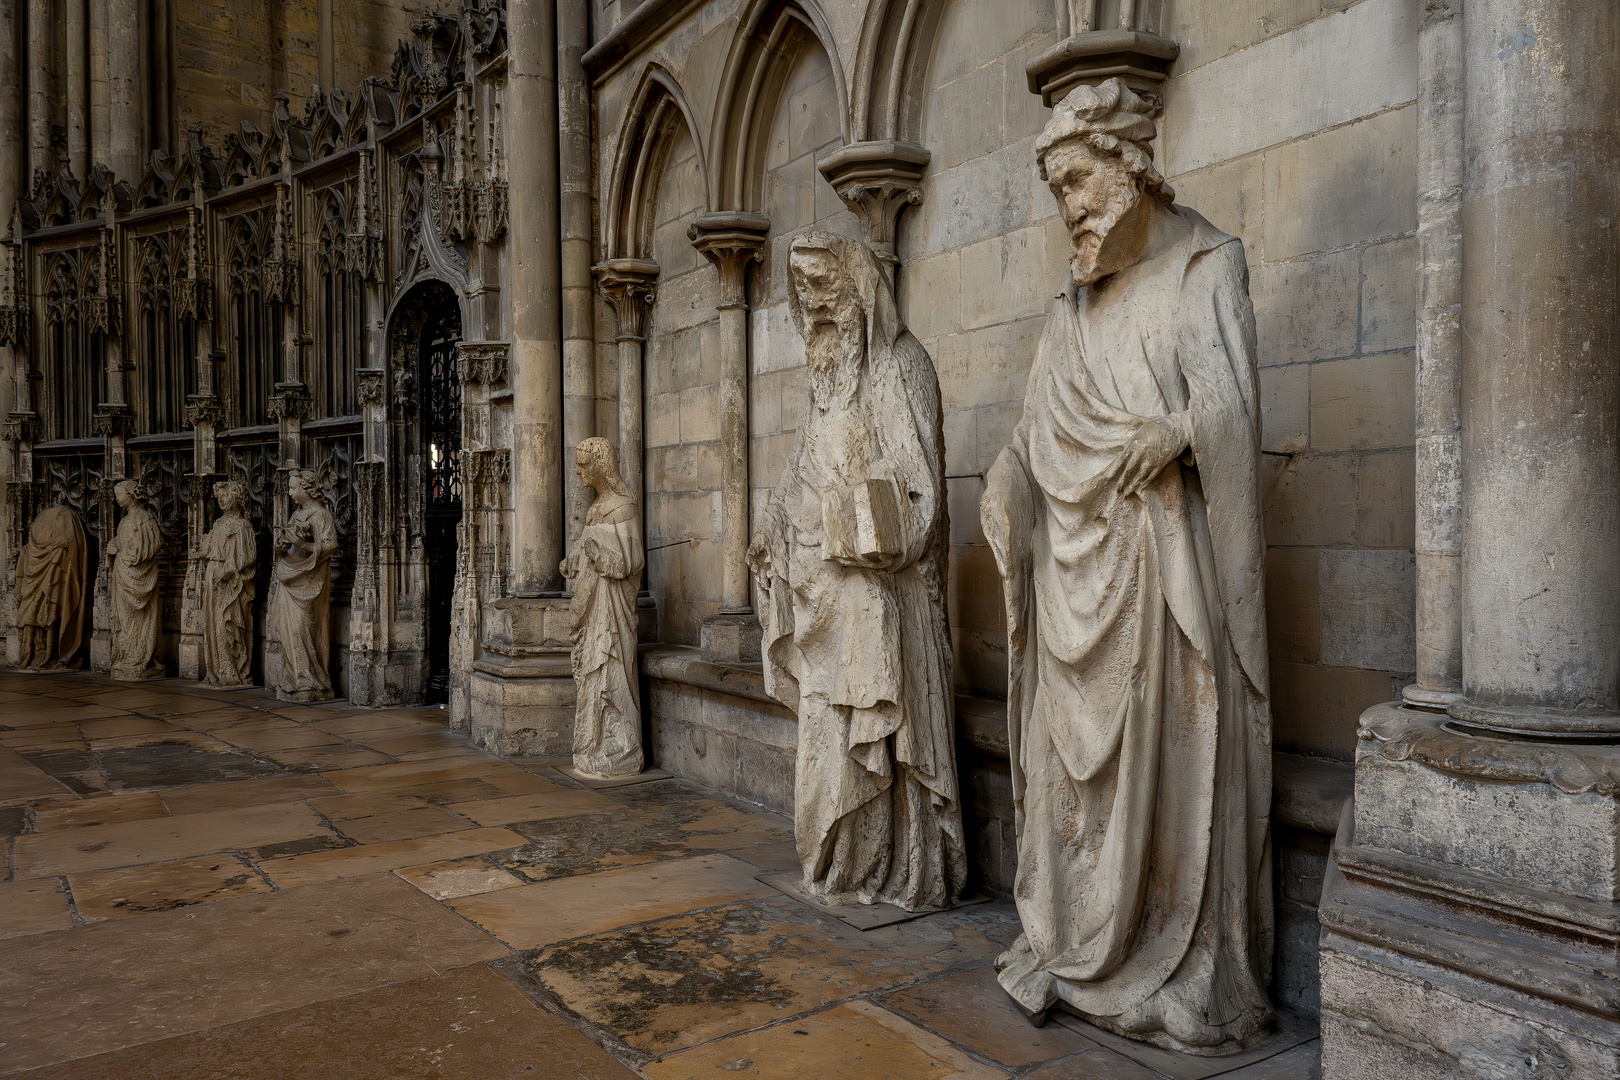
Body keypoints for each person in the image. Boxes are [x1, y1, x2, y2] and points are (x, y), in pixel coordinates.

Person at [981, 78, 1274, 1054]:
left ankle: (1179, 959)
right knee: (1082, 786)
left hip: (1159, 584)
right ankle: (1079, 944)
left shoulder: (1205, 268)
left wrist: (1182, 429)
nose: (1067, 203)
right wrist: (1008, 484)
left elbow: (1235, 412)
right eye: (1056, 185)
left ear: (1126, 161)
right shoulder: (1071, 311)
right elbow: (1035, 438)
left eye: (1074, 178)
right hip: (1077, 586)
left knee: (1169, 769)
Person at [748, 231, 965, 913]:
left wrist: (871, 527)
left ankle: (888, 863)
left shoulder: (903, 367)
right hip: (823, 603)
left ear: (857, 285)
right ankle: (839, 861)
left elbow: (923, 493)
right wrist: (775, 526)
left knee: (871, 734)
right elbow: (799, 474)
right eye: (801, 287)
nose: (812, 301)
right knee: (825, 746)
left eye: (823, 284)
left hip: (880, 598)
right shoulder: (824, 383)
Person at [561, 437, 646, 778]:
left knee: (612, 674)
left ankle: (624, 748)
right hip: (594, 607)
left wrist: (600, 557)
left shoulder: (623, 506)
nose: (579, 471)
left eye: (584, 465)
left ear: (601, 466)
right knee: (593, 677)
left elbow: (633, 560)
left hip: (613, 612)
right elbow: (589, 550)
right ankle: (594, 743)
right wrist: (575, 561)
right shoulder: (596, 507)